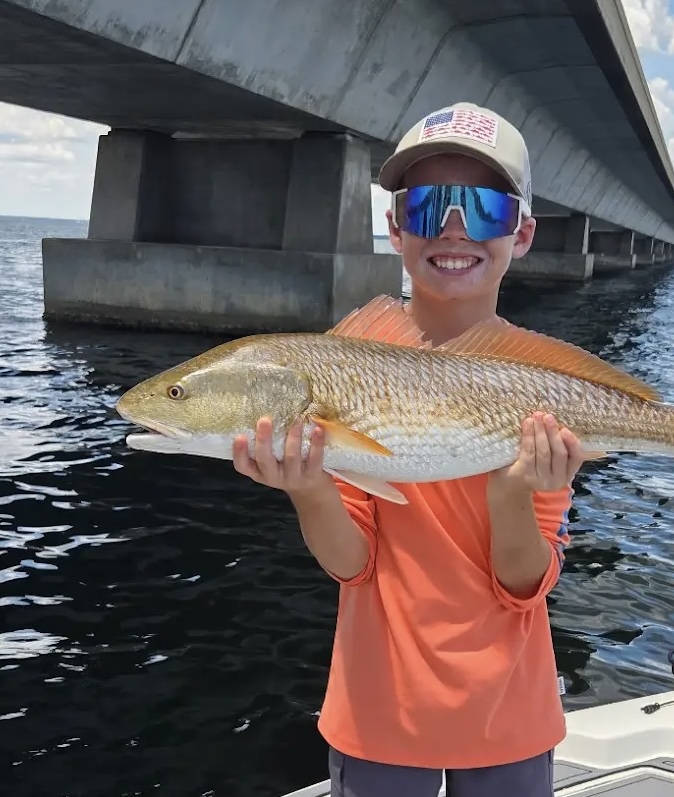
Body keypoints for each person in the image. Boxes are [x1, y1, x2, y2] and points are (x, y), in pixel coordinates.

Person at [232, 102, 586, 797]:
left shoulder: (542, 384)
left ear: (521, 232)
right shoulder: (347, 361)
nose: (453, 228)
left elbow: (525, 583)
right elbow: (352, 563)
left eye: (483, 208)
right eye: (427, 205)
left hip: (509, 717)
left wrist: (513, 492)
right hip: (379, 717)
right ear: (395, 227)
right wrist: (308, 487)